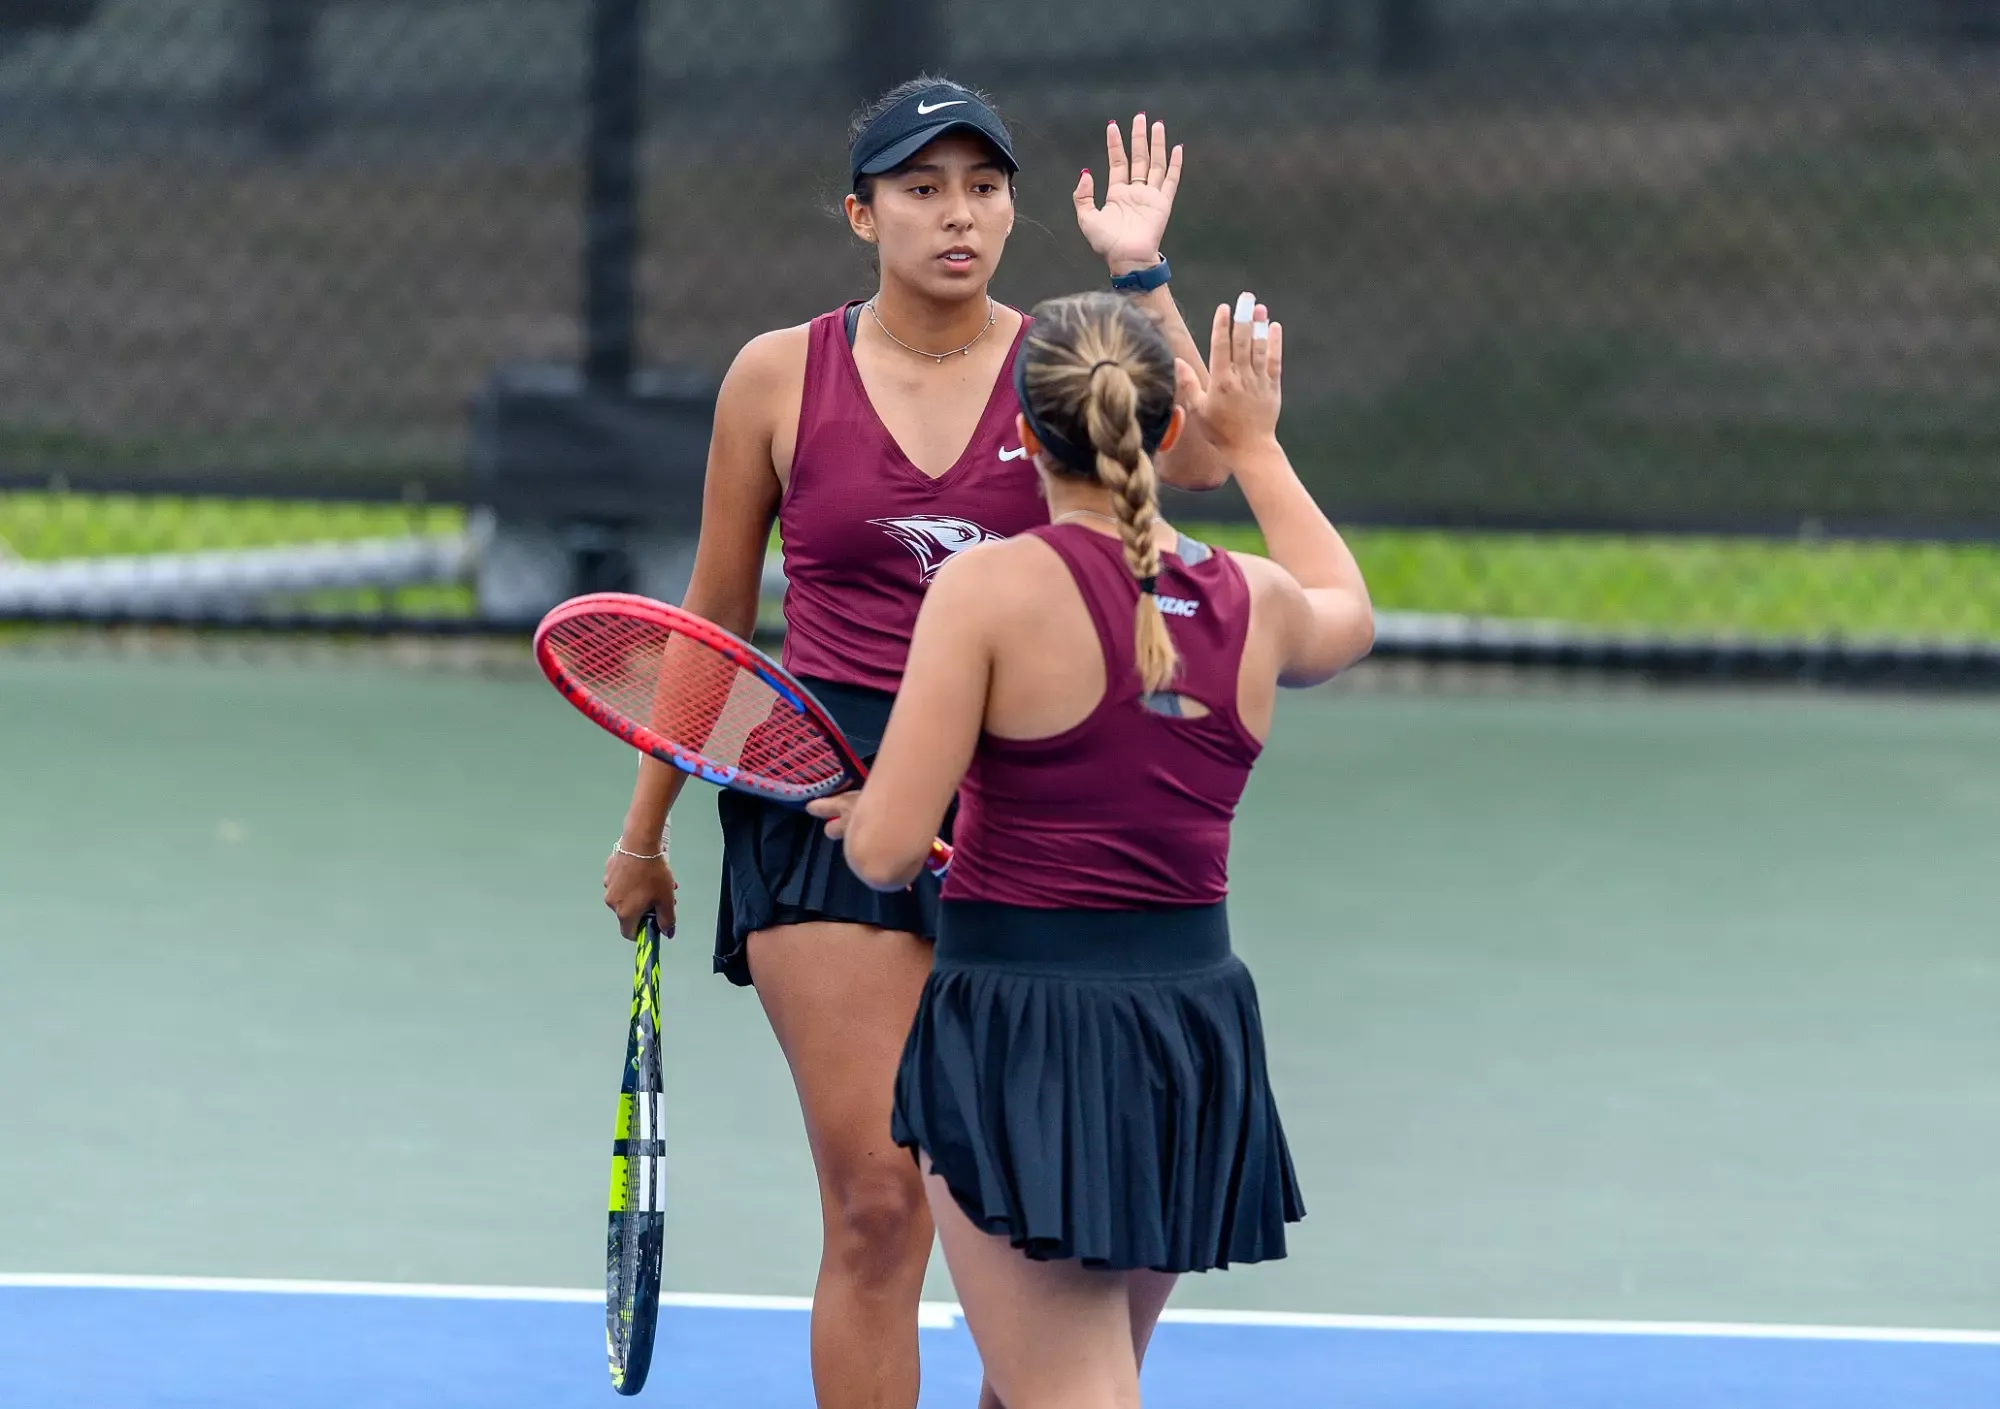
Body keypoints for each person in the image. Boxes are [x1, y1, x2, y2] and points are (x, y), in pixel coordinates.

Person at [600, 76, 1228, 1409]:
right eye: (922, 189)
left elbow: (1209, 459)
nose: (958, 215)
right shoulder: (776, 376)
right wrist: (644, 832)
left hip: (1033, 801)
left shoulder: (1062, 358)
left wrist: (1141, 273)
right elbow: (711, 620)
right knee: (881, 1200)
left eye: (983, 189)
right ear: (860, 213)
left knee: (1056, 1216)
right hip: (821, 793)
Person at [807, 288, 1375, 1408]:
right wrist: (1256, 445)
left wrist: (877, 817)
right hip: (1188, 1036)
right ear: (1171, 429)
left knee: (1073, 1392)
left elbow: (882, 855)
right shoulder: (1257, 600)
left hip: (1026, 1035)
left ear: (1023, 435)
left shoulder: (986, 588)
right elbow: (1345, 608)